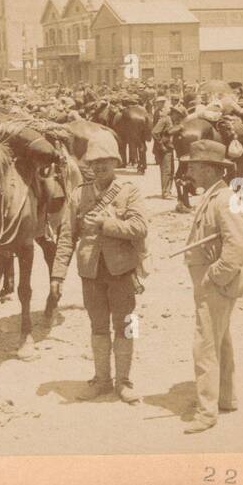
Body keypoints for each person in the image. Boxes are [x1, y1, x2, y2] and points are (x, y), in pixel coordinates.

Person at [49, 131, 148, 403]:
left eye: (106, 161)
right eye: (94, 162)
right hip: (91, 273)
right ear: (88, 166)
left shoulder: (129, 191)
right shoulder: (78, 195)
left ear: (116, 162)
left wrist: (106, 224)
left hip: (122, 272)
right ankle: (102, 380)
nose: (100, 166)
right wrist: (57, 274)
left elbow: (140, 228)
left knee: (128, 325)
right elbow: (67, 237)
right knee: (98, 327)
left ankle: (124, 381)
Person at [181, 140, 243, 434]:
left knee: (205, 344)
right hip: (210, 281)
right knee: (220, 340)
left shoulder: (222, 199)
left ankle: (206, 412)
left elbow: (237, 245)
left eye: (194, 166)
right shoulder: (213, 195)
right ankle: (226, 398)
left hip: (215, 283)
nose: (190, 171)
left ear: (209, 169)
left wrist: (215, 276)